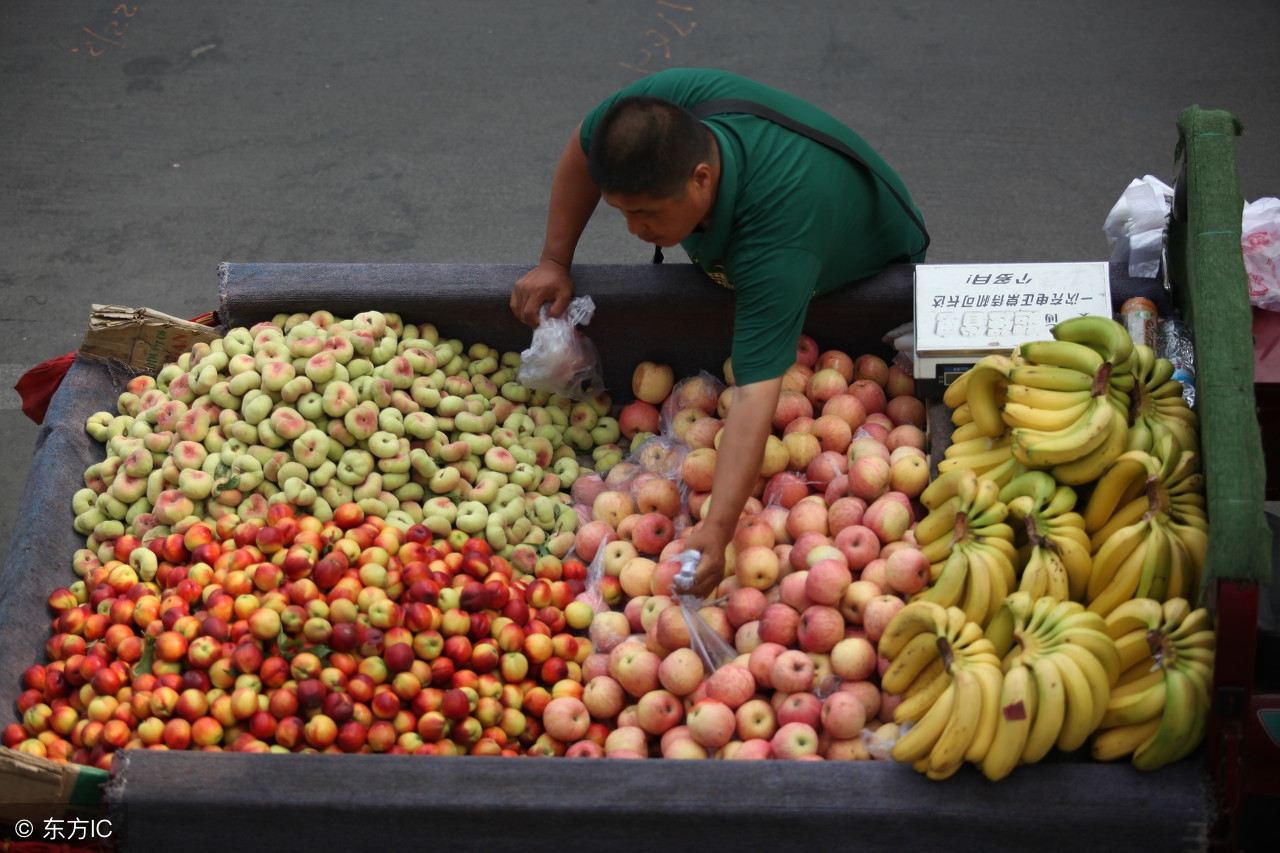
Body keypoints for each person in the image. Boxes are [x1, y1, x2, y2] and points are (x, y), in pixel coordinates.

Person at [510, 68, 927, 598]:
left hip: (860, 245)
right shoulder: (667, 110)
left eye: (647, 213)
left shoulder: (776, 246)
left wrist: (720, 523)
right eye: (623, 212)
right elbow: (584, 143)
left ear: (702, 178)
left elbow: (756, 391)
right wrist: (553, 260)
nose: (634, 231)